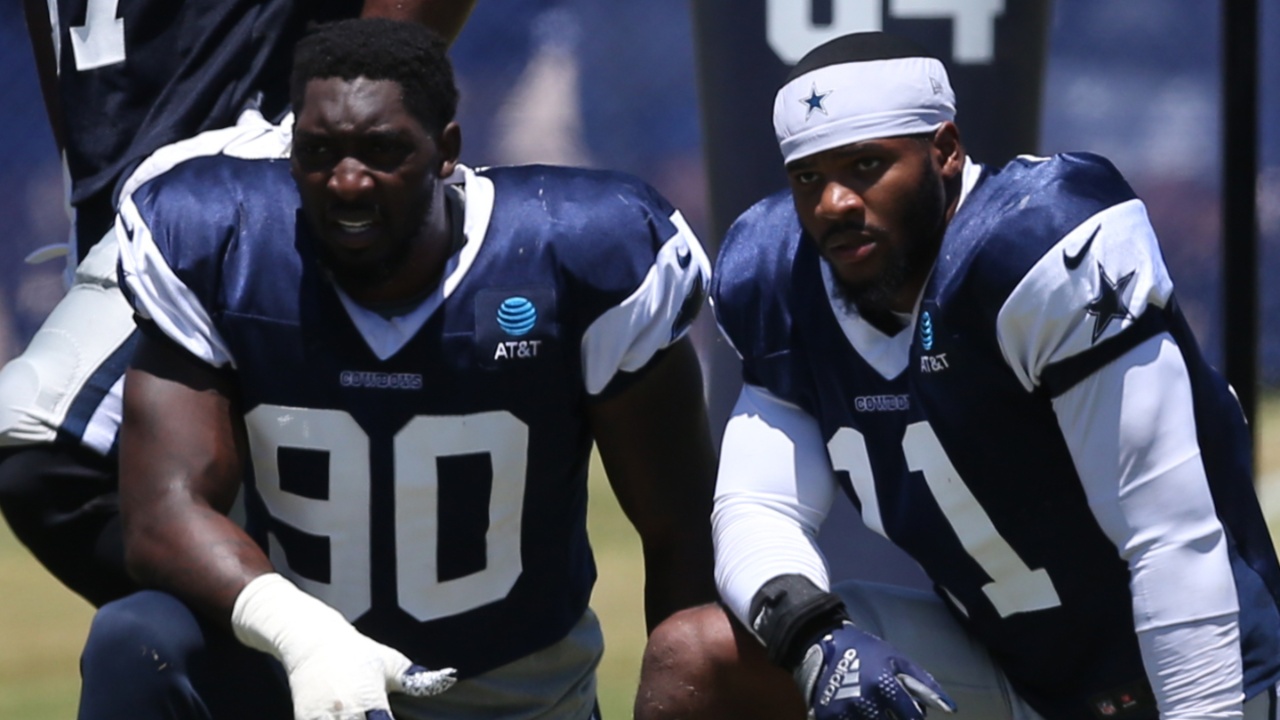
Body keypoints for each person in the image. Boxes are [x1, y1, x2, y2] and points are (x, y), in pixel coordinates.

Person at [77, 17, 717, 720]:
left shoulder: (581, 253)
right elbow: (162, 514)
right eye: (319, 152)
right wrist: (306, 636)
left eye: (381, 151)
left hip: (514, 699)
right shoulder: (220, 244)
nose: (347, 182)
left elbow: (680, 528)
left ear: (446, 151)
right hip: (298, 684)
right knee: (135, 638)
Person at [635, 31, 1280, 720]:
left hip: (1196, 676)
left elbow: (1170, 538)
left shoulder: (1036, 248)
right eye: (809, 177)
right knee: (693, 657)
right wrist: (817, 639)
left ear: (944, 151)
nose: (834, 203)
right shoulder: (780, 279)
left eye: (865, 165)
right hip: (1009, 672)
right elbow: (759, 506)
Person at [0, 0, 476, 607]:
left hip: (241, 167)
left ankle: (311, 656)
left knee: (47, 444)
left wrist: (329, 122)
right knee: (164, 610)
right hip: (118, 199)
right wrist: (88, 198)